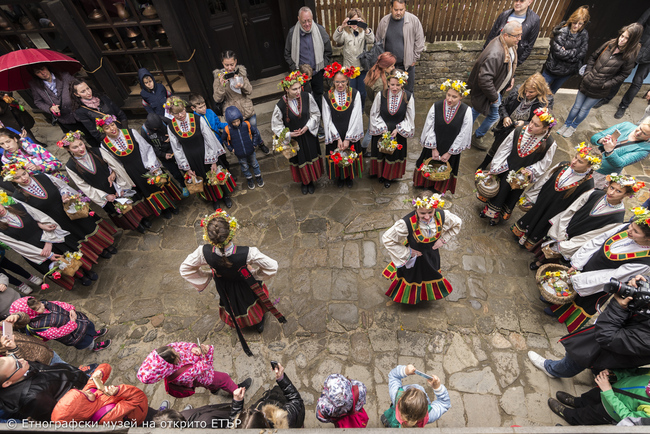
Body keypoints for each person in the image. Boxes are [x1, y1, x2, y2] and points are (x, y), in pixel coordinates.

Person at [179, 210, 285, 356]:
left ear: (209, 238)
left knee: (231, 303)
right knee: (252, 300)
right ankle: (258, 323)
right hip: (246, 283)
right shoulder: (248, 253)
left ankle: (241, 323)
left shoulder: (202, 252)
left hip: (224, 285)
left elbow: (184, 269)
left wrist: (208, 275)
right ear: (231, 232)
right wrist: (255, 274)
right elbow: (272, 266)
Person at [528, 274, 650, 378]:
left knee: (578, 357)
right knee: (598, 365)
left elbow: (607, 337)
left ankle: (552, 370)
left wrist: (617, 308)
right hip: (621, 336)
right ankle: (597, 372)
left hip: (614, 348)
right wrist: (642, 283)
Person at [546, 212, 650, 332]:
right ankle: (555, 299)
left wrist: (582, 279)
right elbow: (599, 240)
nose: (629, 230)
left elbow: (613, 276)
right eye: (632, 225)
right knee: (568, 285)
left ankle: (562, 313)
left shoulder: (644, 261)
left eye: (636, 231)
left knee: (582, 298)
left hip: (598, 281)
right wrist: (579, 262)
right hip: (588, 263)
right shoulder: (625, 228)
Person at [9, 165, 118, 274]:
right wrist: (42, 225)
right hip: (55, 220)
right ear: (12, 180)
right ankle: (96, 253)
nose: (23, 178)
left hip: (68, 208)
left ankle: (104, 246)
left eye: (24, 173)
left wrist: (64, 194)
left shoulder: (42, 177)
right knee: (76, 236)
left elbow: (61, 186)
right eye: (18, 178)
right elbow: (30, 215)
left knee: (86, 227)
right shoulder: (18, 197)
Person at [529, 174, 633, 269]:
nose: (611, 192)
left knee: (558, 256)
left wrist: (568, 244)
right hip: (565, 229)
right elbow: (571, 210)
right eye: (612, 187)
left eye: (618, 191)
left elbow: (592, 236)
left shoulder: (616, 218)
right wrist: (561, 232)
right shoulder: (595, 194)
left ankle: (545, 266)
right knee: (548, 247)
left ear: (626, 195)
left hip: (577, 240)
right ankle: (540, 260)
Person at [557, 23, 642, 138]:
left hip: (600, 89)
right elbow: (593, 57)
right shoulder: (609, 44)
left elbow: (623, 75)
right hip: (587, 81)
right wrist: (587, 73)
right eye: (622, 36)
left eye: (627, 38)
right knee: (576, 106)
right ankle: (566, 124)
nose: (622, 40)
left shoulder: (630, 56)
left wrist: (606, 84)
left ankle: (573, 127)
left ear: (632, 41)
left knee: (584, 109)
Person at [60, 131, 153, 234]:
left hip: (116, 184)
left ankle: (143, 218)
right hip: (102, 191)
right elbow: (83, 186)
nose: (81, 149)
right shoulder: (70, 166)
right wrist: (104, 196)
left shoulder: (98, 151)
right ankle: (136, 224)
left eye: (81, 144)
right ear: (68, 149)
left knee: (130, 201)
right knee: (119, 209)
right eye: (75, 147)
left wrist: (121, 185)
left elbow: (115, 165)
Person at [511, 144, 598, 251]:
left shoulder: (587, 185)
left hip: (554, 211)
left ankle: (528, 242)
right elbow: (544, 180)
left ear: (589, 167)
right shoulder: (562, 165)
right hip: (542, 201)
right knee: (531, 217)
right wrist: (531, 197)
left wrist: (558, 221)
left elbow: (575, 207)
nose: (574, 161)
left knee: (540, 226)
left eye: (580, 162)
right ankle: (519, 234)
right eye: (575, 157)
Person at [479, 108, 557, 225]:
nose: (530, 126)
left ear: (545, 128)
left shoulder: (550, 143)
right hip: (506, 168)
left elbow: (544, 164)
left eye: (536, 125)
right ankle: (489, 211)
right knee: (498, 191)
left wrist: (530, 171)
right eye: (531, 121)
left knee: (511, 196)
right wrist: (497, 167)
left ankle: (497, 216)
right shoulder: (519, 131)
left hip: (521, 177)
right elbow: (504, 149)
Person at [382, 192, 461, 305]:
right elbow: (387, 238)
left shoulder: (442, 216)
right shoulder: (406, 223)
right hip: (415, 258)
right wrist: (408, 252)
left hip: (431, 255)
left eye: (430, 212)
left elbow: (457, 223)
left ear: (435, 208)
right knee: (413, 276)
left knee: (430, 273)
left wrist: (443, 239)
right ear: (416, 209)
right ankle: (410, 298)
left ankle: (425, 295)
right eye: (422, 213)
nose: (427, 217)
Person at [97, 114, 181, 220]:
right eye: (107, 128)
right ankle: (164, 209)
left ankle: (172, 205)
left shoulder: (131, 132)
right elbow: (114, 162)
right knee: (147, 191)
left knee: (159, 184)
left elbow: (145, 148)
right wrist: (116, 173)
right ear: (103, 131)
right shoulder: (104, 145)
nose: (112, 129)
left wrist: (152, 166)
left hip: (145, 164)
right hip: (131, 172)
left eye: (112, 125)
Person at [0, 196, 88, 291]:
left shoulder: (19, 206)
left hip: (48, 237)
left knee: (71, 255)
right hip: (36, 250)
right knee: (60, 267)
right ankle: (79, 277)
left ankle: (86, 270)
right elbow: (19, 246)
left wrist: (48, 241)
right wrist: (48, 254)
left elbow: (41, 217)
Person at [166, 97, 233, 210]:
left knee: (215, 174)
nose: (181, 115)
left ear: (184, 108)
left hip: (207, 153)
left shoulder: (197, 119)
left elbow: (209, 139)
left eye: (182, 111)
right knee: (204, 179)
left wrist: (213, 160)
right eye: (176, 114)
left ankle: (225, 196)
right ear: (171, 113)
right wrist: (186, 168)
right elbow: (177, 148)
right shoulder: (171, 127)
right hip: (191, 159)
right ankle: (214, 199)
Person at [477, 73, 553, 170]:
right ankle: (484, 165)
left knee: (510, 152)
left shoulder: (546, 102)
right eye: (526, 90)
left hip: (524, 132)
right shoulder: (517, 90)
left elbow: (543, 122)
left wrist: (524, 124)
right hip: (506, 128)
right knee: (495, 147)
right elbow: (503, 105)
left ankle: (499, 170)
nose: (527, 94)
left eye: (531, 92)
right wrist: (505, 117)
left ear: (539, 91)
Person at [468, 21, 521, 150]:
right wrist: (494, 97)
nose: (519, 39)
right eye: (517, 35)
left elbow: (510, 64)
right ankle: (473, 135)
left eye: (520, 35)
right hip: (490, 92)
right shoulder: (495, 53)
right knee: (491, 114)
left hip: (495, 90)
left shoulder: (508, 45)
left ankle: (464, 131)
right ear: (506, 35)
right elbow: (485, 79)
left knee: (476, 110)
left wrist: (510, 78)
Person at [415, 79, 472, 194]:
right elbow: (429, 127)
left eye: (454, 97)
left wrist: (450, 153)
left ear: (461, 97)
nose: (450, 99)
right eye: (448, 95)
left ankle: (439, 187)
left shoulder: (466, 111)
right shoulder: (436, 106)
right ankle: (425, 183)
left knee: (445, 168)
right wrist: (433, 148)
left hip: (451, 146)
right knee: (428, 162)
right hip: (434, 143)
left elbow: (464, 133)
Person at [271, 71, 322, 195]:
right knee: (299, 159)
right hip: (295, 140)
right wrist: (289, 135)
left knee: (310, 155)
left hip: (308, 135)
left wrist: (307, 126)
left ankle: (312, 181)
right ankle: (304, 182)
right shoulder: (281, 105)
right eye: (294, 89)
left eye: (299, 88)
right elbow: (276, 125)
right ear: (287, 89)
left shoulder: (307, 97)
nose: (298, 91)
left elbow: (315, 113)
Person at [137, 341, 249, 397]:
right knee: (224, 378)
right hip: (204, 377)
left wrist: (192, 348)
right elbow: (207, 366)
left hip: (198, 378)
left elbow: (179, 345)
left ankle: (214, 389)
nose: (178, 352)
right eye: (176, 355)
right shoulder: (184, 374)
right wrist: (208, 351)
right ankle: (237, 391)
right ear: (168, 364)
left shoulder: (167, 355)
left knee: (210, 384)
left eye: (174, 349)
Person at [595, 8, 650, 119]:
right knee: (622, 74)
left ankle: (623, 106)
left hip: (648, 59)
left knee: (637, 82)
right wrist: (635, 42)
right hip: (636, 49)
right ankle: (607, 98)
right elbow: (639, 24)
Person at [548, 368, 650, 425]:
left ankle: (567, 414)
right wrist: (614, 374)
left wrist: (608, 392)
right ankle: (575, 402)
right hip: (610, 388)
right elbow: (635, 372)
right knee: (587, 398)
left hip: (610, 411)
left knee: (586, 415)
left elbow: (628, 417)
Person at [52, 363, 148, 424]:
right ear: (84, 408)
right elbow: (139, 397)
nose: (87, 390)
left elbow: (107, 366)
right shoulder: (107, 417)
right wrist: (118, 390)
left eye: (81, 391)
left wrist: (99, 372)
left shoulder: (88, 393)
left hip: (131, 406)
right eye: (86, 395)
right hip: (139, 414)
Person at [0, 354, 87, 421]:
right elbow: (58, 415)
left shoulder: (22, 370)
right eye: (17, 365)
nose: (21, 359)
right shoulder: (33, 398)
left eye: (14, 357)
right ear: (7, 383)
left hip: (77, 377)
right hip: (84, 394)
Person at [213, 51, 269, 154]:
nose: (230, 68)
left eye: (232, 64)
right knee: (238, 132)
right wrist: (221, 86)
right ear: (222, 63)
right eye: (226, 65)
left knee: (253, 128)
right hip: (232, 111)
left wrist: (242, 85)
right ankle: (246, 149)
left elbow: (250, 91)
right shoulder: (218, 78)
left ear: (236, 62)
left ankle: (260, 143)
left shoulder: (241, 73)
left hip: (246, 107)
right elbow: (217, 99)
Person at [10, 296, 110, 352]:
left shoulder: (45, 303)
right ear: (29, 313)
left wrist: (71, 309)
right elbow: (57, 333)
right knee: (86, 341)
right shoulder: (37, 326)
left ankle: (93, 334)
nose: (42, 306)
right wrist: (72, 323)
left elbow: (60, 304)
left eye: (40, 303)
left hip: (79, 321)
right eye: (38, 308)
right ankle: (94, 346)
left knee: (88, 328)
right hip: (73, 334)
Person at [369, 70, 415, 188]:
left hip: (397, 131)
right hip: (382, 129)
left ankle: (389, 176)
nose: (395, 87)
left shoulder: (408, 97)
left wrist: (399, 129)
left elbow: (410, 117)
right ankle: (380, 174)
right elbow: (374, 113)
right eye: (392, 84)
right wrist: (382, 128)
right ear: (388, 83)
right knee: (380, 152)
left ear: (403, 84)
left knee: (392, 155)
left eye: (398, 85)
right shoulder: (381, 95)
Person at [284, 6, 332, 117]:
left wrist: (322, 65)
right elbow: (287, 54)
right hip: (301, 75)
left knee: (318, 95)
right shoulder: (292, 33)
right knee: (304, 97)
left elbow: (328, 51)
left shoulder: (320, 30)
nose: (307, 24)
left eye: (309, 21)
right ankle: (307, 118)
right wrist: (295, 68)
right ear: (298, 19)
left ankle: (320, 119)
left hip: (317, 71)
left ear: (312, 18)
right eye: (304, 21)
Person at [322, 63, 364, 188]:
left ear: (347, 81)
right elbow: (327, 119)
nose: (340, 85)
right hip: (335, 132)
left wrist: (347, 138)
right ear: (333, 82)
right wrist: (338, 138)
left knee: (350, 153)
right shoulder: (327, 96)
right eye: (337, 82)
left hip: (349, 131)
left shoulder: (355, 94)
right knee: (337, 154)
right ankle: (340, 177)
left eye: (343, 82)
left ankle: (349, 177)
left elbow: (356, 117)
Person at [230, 362, 304, 429]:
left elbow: (233, 425)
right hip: (283, 404)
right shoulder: (285, 419)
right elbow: (297, 401)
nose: (255, 409)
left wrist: (237, 403)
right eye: (258, 412)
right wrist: (282, 379)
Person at [375, 0, 424, 94]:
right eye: (396, 9)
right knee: (388, 91)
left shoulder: (413, 20)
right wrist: (383, 61)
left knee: (408, 92)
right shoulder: (384, 21)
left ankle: (408, 109)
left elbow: (420, 41)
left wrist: (414, 58)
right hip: (388, 67)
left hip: (406, 65)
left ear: (405, 8)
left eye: (401, 10)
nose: (398, 12)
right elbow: (378, 41)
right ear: (391, 8)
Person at [381, 364, 450, 427]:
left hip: (393, 419)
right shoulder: (430, 415)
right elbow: (444, 404)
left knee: (389, 419)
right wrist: (437, 388)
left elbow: (393, 376)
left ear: (401, 399)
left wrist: (404, 370)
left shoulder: (395, 396)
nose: (417, 387)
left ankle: (387, 422)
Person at [332, 8, 375, 109]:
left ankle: (361, 108)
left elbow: (371, 40)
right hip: (349, 69)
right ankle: (351, 109)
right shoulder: (346, 32)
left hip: (361, 68)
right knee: (350, 91)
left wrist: (365, 27)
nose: (354, 24)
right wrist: (342, 27)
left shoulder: (363, 31)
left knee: (362, 92)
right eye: (352, 21)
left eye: (357, 20)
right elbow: (336, 39)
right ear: (348, 20)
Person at [590, 117, 650, 188]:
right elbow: (595, 137)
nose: (638, 133)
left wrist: (609, 151)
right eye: (640, 128)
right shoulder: (626, 125)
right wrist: (601, 140)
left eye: (644, 133)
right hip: (590, 160)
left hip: (601, 172)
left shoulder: (645, 149)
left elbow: (620, 163)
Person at [541, 6, 590, 93]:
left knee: (551, 93)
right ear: (571, 20)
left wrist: (567, 52)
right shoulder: (562, 32)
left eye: (580, 24)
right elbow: (560, 54)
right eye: (575, 22)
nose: (576, 26)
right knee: (539, 91)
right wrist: (576, 51)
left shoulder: (584, 34)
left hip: (567, 72)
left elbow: (582, 53)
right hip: (552, 70)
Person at [139, 113, 188, 196]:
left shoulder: (165, 121)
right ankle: (183, 185)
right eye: (155, 128)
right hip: (163, 155)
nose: (157, 129)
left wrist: (171, 136)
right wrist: (162, 154)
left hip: (174, 149)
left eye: (159, 127)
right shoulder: (145, 131)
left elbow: (177, 130)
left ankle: (189, 180)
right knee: (175, 172)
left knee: (185, 166)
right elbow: (148, 147)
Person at [70, 78, 129, 147]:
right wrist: (112, 139)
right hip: (110, 140)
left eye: (88, 88)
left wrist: (124, 131)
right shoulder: (80, 111)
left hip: (122, 131)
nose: (88, 92)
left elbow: (121, 115)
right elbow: (95, 133)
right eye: (83, 91)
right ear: (77, 94)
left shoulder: (103, 98)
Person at [28, 64, 84, 134]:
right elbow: (38, 101)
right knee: (82, 137)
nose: (42, 73)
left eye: (42, 69)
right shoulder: (35, 85)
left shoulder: (64, 76)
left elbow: (78, 87)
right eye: (38, 72)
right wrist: (50, 108)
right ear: (35, 75)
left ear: (47, 67)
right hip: (65, 118)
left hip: (79, 112)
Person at [0, 127, 67, 183]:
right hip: (38, 185)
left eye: (8, 141)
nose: (7, 146)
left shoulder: (35, 148)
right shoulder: (6, 159)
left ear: (15, 139)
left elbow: (57, 163)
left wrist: (39, 167)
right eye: (2, 144)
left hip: (56, 180)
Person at [484, 0, 540, 66]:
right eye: (516, 0)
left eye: (521, 1)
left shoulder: (534, 20)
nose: (517, 3)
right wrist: (485, 52)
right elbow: (492, 35)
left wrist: (517, 62)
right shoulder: (504, 15)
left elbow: (530, 44)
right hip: (495, 54)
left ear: (529, 2)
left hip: (511, 59)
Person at [361, 52, 397, 152]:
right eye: (391, 66)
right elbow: (379, 102)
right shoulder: (380, 83)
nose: (393, 67)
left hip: (369, 102)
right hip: (373, 108)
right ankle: (363, 148)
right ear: (385, 67)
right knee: (371, 130)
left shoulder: (374, 70)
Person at [0, 311, 67, 365]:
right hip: (42, 365)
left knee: (71, 370)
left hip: (46, 352)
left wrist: (18, 316)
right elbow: (15, 367)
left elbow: (26, 320)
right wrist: (12, 349)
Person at [222, 106, 261, 193]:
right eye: (233, 122)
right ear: (229, 122)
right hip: (239, 153)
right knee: (245, 167)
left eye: (237, 121)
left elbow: (255, 133)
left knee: (255, 164)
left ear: (240, 118)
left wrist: (254, 144)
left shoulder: (246, 124)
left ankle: (258, 177)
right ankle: (249, 179)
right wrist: (231, 149)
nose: (236, 123)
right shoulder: (227, 130)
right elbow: (224, 139)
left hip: (250, 150)